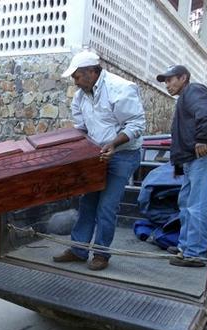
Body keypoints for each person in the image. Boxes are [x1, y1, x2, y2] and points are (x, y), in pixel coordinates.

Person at [53, 50, 145, 271]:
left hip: (123, 154)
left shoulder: (121, 89)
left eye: (77, 77)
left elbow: (136, 125)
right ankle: (78, 249)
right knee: (88, 203)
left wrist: (113, 144)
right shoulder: (80, 96)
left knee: (106, 206)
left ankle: (102, 253)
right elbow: (81, 129)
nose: (75, 82)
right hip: (96, 155)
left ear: (92, 72)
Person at [156, 65, 207, 267]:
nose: (167, 85)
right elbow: (182, 135)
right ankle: (185, 247)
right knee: (186, 204)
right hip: (191, 159)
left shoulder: (194, 90)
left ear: (183, 78)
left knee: (196, 206)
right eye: (166, 81)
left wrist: (203, 138)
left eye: (170, 80)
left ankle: (194, 253)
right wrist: (179, 165)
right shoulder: (184, 98)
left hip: (202, 157)